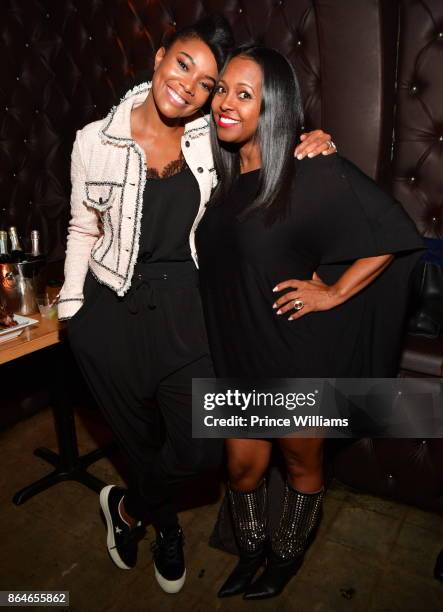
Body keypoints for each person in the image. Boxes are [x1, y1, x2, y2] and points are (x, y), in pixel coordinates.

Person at [57, 17, 336, 594]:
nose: (191, 86)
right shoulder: (94, 139)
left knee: (202, 446)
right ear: (160, 58)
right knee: (137, 443)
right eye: (184, 64)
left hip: (191, 307)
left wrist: (317, 140)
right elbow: (82, 226)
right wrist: (70, 308)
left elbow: (270, 132)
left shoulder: (211, 132)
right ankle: (165, 525)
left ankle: (132, 508)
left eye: (208, 82)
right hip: (109, 309)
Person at [195, 45, 424, 600]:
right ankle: (250, 552)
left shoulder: (310, 170)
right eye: (222, 88)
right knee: (242, 470)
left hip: (296, 356)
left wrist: (333, 293)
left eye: (245, 95)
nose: (226, 102)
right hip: (236, 355)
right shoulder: (220, 172)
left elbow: (394, 234)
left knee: (302, 462)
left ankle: (285, 559)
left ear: (273, 108)